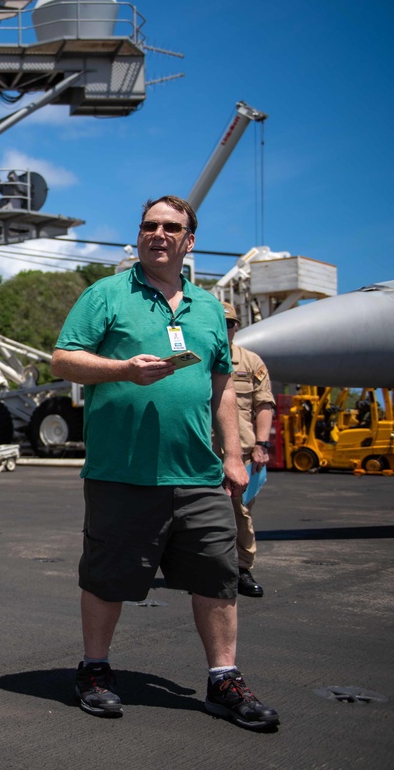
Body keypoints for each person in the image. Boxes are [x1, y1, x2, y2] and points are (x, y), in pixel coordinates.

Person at [51, 195, 280, 731]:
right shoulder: (106, 295)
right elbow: (64, 358)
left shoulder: (205, 307)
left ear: (188, 240)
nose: (158, 233)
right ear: (140, 235)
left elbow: (221, 389)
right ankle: (94, 670)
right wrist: (123, 370)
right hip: (122, 471)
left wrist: (233, 456)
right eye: (149, 225)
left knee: (219, 578)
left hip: (198, 474)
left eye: (170, 227)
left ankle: (224, 679)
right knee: (108, 578)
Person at [222, 301, 274, 598]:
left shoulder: (251, 362)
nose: (225, 328)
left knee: (240, 513)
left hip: (242, 452)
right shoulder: (196, 359)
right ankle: (205, 568)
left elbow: (263, 405)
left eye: (229, 323)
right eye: (220, 323)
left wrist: (261, 444)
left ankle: (242, 568)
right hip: (204, 451)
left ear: (236, 326)